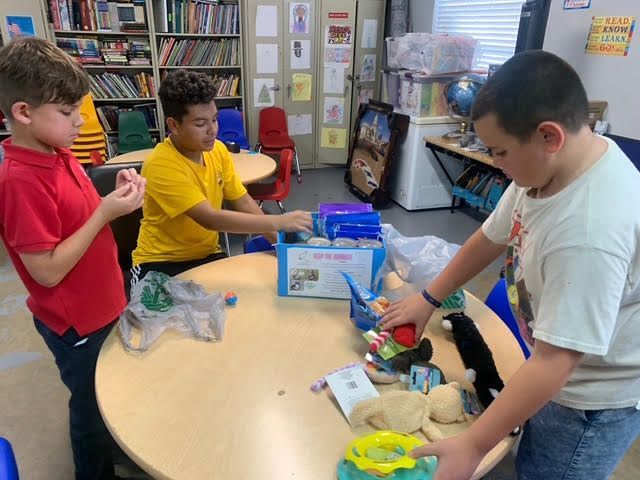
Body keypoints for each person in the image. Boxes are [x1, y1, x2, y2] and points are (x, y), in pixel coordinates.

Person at [381, 50, 640, 479]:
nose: (495, 165)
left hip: (588, 404)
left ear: (549, 137)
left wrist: (473, 444)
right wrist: (428, 298)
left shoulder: (592, 228)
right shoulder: (550, 168)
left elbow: (557, 363)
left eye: (500, 152)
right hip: (549, 368)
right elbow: (488, 238)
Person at [0, 38, 146, 479]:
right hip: (77, 323)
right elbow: (45, 272)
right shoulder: (20, 179)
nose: (80, 123)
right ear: (24, 113)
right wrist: (106, 212)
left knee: (109, 396)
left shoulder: (57, 151)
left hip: (103, 303)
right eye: (67, 114)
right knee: (89, 413)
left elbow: (74, 215)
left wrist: (110, 193)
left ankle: (112, 449)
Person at [131, 69, 312, 281]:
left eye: (215, 119)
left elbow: (243, 201)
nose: (212, 130)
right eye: (200, 124)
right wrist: (279, 222)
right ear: (174, 125)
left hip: (207, 255)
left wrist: (280, 247)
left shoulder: (217, 150)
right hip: (159, 264)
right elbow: (210, 219)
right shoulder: (161, 164)